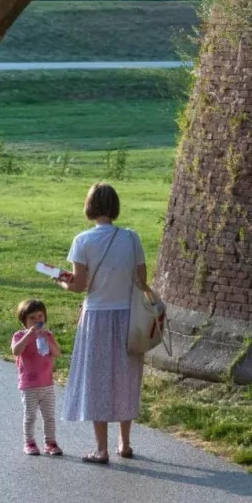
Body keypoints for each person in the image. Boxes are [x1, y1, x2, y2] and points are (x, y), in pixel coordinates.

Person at [55, 182, 161, 464]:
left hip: (97, 317)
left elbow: (79, 286)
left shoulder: (83, 241)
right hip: (128, 316)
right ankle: (124, 443)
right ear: (114, 207)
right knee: (126, 377)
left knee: (98, 379)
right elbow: (141, 281)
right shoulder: (131, 238)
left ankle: (100, 449)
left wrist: (62, 282)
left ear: (90, 207)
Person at [10, 298, 62, 456]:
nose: (37, 320)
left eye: (40, 316)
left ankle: (50, 443)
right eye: (32, 318)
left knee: (49, 416)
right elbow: (16, 351)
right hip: (29, 385)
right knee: (30, 416)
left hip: (47, 383)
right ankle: (29, 442)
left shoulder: (47, 335)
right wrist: (29, 335)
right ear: (24, 321)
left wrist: (46, 338)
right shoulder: (19, 336)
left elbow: (57, 353)